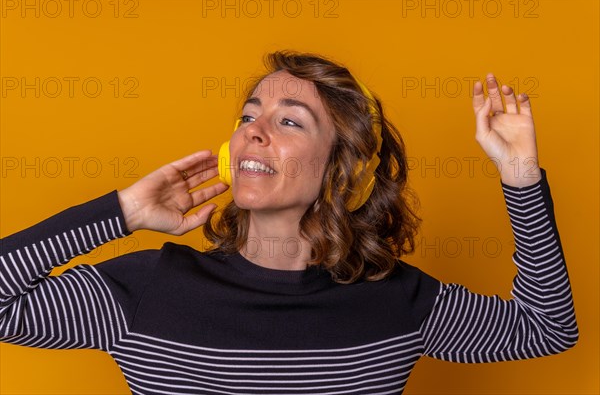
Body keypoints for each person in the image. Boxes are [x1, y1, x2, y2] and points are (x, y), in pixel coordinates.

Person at [0, 51, 578, 395]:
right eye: (249, 116)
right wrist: (121, 213)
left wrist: (521, 178)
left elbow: (547, 328)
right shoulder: (143, 290)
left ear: (343, 171)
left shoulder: (400, 301)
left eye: (290, 122)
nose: (253, 129)